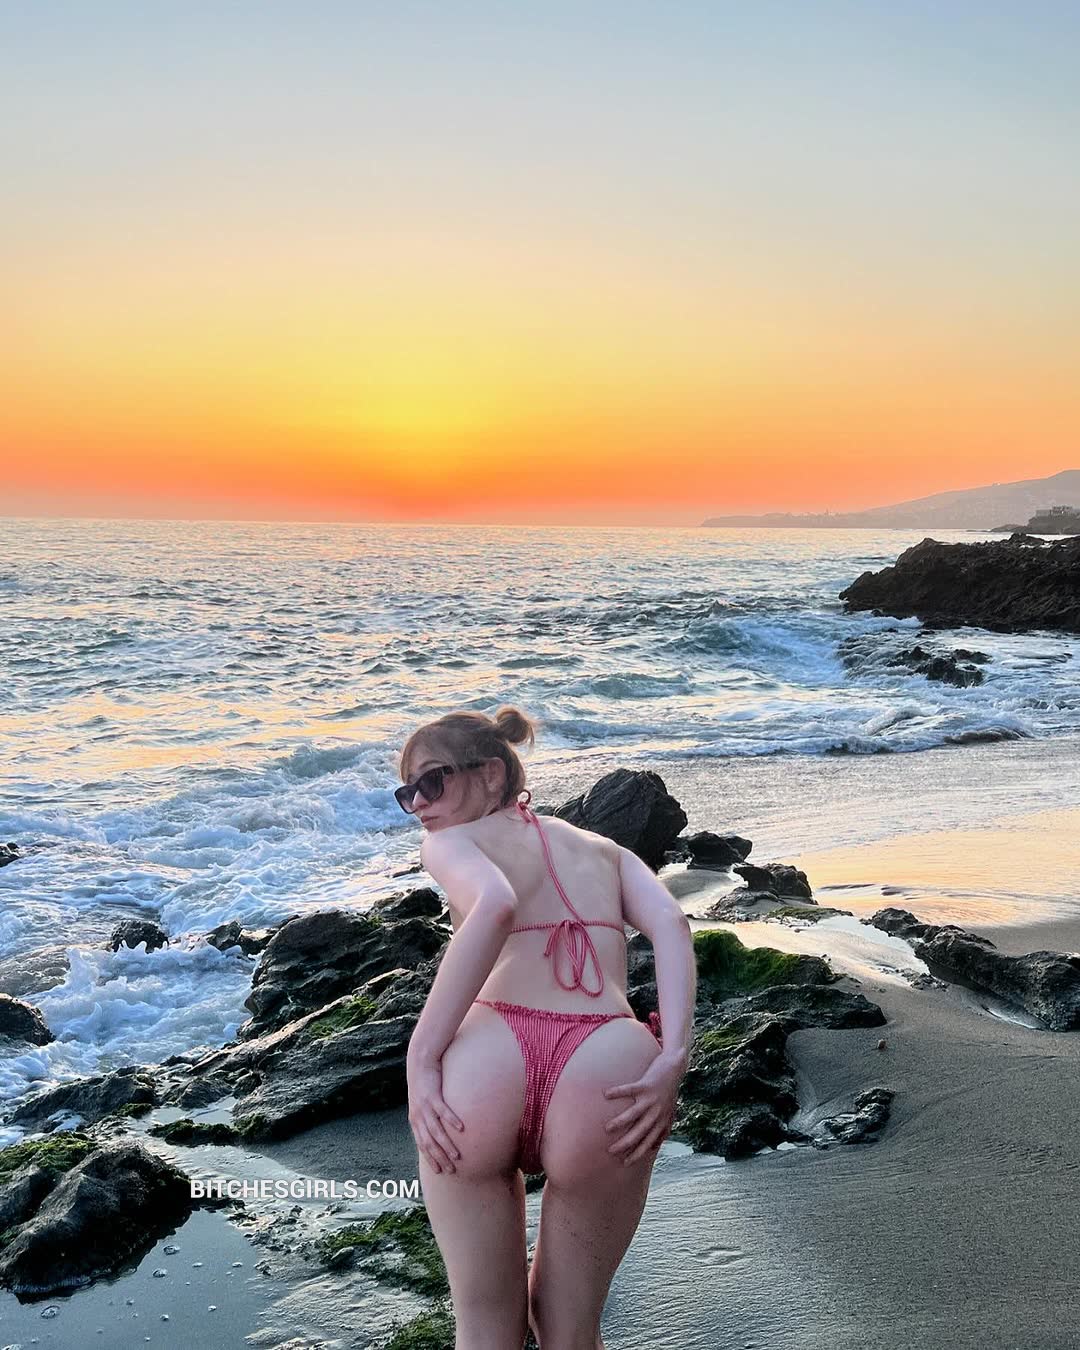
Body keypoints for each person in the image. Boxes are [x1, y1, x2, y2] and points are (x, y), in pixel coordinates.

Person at [395, 705, 696, 1350]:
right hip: (607, 1064)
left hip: (486, 1063)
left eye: (433, 781)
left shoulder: (451, 844)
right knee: (570, 1330)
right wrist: (672, 1055)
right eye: (407, 791)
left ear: (492, 775)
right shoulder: (606, 851)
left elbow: (495, 905)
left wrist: (422, 1058)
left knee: (484, 1328)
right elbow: (672, 925)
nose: (418, 804)